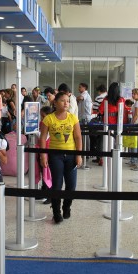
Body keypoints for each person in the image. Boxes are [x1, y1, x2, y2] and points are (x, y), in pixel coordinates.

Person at [40, 92, 82, 224]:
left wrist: (78, 155)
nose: (66, 103)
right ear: (55, 103)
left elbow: (78, 137)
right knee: (57, 185)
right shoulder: (49, 119)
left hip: (70, 155)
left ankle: (67, 206)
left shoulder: (73, 118)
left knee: (71, 185)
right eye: (63, 100)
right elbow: (42, 138)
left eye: (68, 101)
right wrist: (43, 155)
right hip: (55, 156)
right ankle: (56, 212)